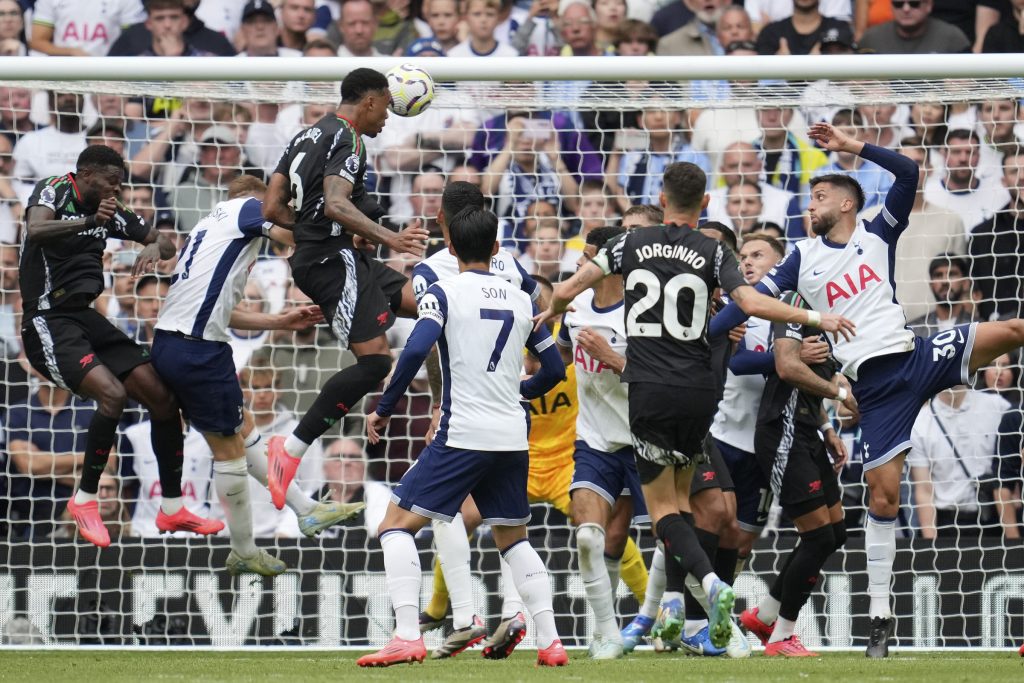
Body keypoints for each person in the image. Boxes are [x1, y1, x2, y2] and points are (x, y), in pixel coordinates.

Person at [709, 121, 1024, 657]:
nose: (812, 202)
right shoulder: (800, 259)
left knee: (1013, 329)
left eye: (822, 194)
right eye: (810, 195)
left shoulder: (877, 232)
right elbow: (748, 302)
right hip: (875, 391)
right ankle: (880, 615)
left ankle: (776, 623)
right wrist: (706, 333)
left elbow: (909, 171)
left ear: (849, 204)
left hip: (918, 355)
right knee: (881, 497)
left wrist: (850, 146)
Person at [536, 161, 855, 650]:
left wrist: (552, 308)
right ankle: (685, 614)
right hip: (701, 392)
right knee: (688, 504)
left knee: (665, 510)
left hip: (649, 388)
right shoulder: (714, 249)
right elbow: (750, 303)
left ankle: (706, 592)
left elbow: (566, 290)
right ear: (706, 203)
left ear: (662, 200)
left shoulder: (628, 244)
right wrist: (816, 315)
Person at [359, 207, 568, 667]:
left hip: (463, 432)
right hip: (512, 435)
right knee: (515, 539)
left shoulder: (442, 292)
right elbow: (554, 369)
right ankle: (551, 642)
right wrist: (520, 392)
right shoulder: (522, 298)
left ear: (450, 248)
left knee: (394, 526)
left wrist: (385, 407)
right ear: (497, 249)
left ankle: (408, 634)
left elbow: (416, 348)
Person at [151, 175, 361, 575]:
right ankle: (244, 549)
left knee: (244, 429)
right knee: (228, 452)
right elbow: (292, 231)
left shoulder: (209, 228)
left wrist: (278, 320)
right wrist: (346, 232)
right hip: (198, 350)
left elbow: (221, 309)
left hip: (177, 342)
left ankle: (306, 509)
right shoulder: (244, 209)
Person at [18, 144, 221, 548]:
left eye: (120, 183)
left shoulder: (110, 208)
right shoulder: (55, 190)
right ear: (87, 175)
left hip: (86, 318)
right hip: (47, 321)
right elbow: (37, 230)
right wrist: (92, 221)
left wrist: (151, 247)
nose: (117, 190)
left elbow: (163, 243)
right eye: (111, 183)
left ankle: (172, 506)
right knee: (112, 395)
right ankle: (86, 499)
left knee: (164, 400)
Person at [262, 68, 429, 513]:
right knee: (375, 361)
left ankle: (447, 411)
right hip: (330, 262)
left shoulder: (303, 137)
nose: (387, 120)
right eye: (386, 110)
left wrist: (321, 230)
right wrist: (389, 239)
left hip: (336, 254)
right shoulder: (350, 140)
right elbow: (336, 203)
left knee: (431, 305)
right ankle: (292, 449)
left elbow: (272, 206)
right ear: (370, 101)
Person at [740, 287, 853, 657]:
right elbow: (788, 368)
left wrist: (828, 428)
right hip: (781, 432)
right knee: (819, 536)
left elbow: (807, 384)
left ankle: (766, 614)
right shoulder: (795, 307)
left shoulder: (828, 318)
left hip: (807, 430)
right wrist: (839, 396)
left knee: (835, 533)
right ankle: (781, 637)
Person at [555, 225, 649, 659]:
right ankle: (606, 633)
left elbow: (660, 380)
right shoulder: (572, 308)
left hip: (645, 437)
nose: (579, 266)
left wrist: (613, 358)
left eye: (587, 257)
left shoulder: (644, 312)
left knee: (674, 538)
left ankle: (694, 622)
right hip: (594, 440)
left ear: (608, 264)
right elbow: (555, 360)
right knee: (589, 536)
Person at [908, 385, 1008, 539]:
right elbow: (924, 490)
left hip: (996, 518)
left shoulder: (997, 406)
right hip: (948, 524)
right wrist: (930, 545)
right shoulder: (919, 424)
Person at [30, 0, 145, 56]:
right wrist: (70, 52)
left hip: (110, 78)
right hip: (64, 77)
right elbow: (37, 41)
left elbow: (137, 39)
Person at [858, 0, 970, 53]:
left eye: (914, 3)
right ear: (891, 6)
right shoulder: (871, 39)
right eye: (898, 4)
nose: (906, 9)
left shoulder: (953, 38)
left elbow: (973, 82)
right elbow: (854, 83)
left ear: (929, 5)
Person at [907, 255, 976, 337]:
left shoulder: (978, 329)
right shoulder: (913, 331)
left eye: (951, 274)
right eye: (938, 275)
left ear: (965, 283)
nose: (944, 281)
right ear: (931, 285)